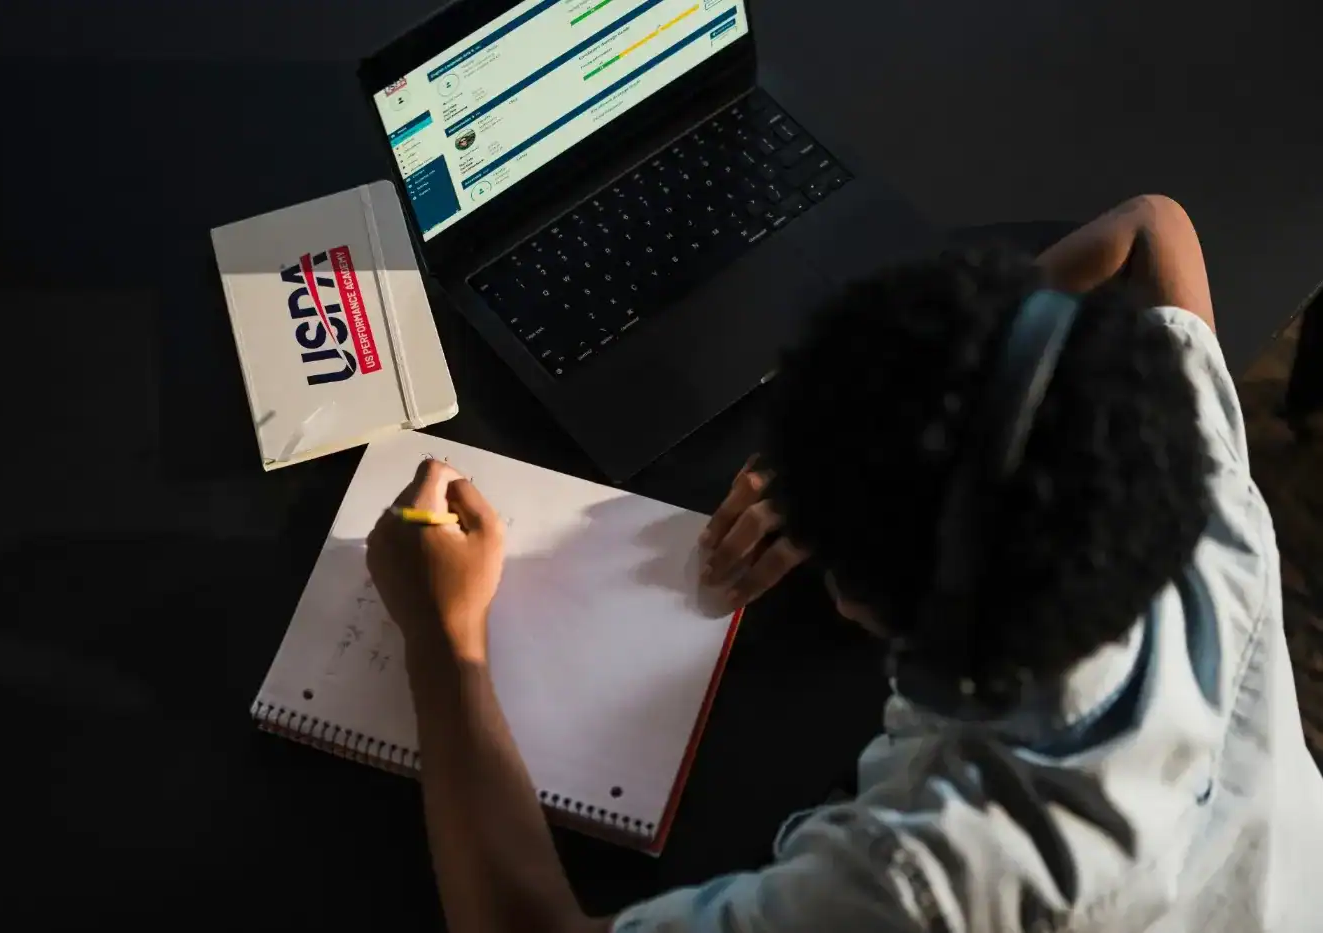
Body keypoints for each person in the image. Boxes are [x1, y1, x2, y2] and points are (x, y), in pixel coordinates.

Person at [366, 194, 1323, 933]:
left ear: (859, 596)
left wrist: (447, 639)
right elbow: (1152, 230)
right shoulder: (1190, 480)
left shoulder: (921, 881)